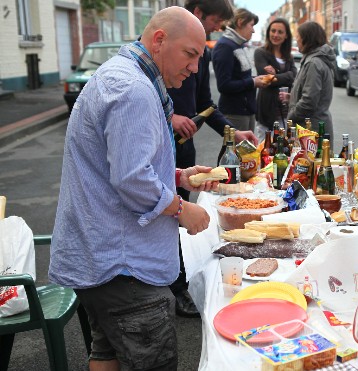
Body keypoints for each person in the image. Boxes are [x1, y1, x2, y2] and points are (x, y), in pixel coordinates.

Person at [49, 7, 218, 370]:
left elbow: (121, 163)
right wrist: (182, 208)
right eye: (190, 54)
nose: (194, 68)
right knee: (153, 362)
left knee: (105, 350)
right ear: (159, 40)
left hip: (102, 259)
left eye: (198, 58)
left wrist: (178, 176)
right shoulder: (134, 90)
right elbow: (131, 179)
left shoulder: (126, 75)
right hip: (124, 267)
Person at [167, 0, 257, 318]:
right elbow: (146, 98)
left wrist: (233, 132)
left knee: (175, 220)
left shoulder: (203, 53)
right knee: (164, 215)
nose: (218, 29)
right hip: (156, 146)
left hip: (184, 151)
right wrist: (172, 116)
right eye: (216, 22)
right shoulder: (162, 50)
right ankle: (172, 287)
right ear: (198, 13)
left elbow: (206, 103)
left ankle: (174, 283)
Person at [212, 8, 270, 133]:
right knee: (238, 152)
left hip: (246, 110)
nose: (253, 30)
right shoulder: (225, 46)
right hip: (234, 112)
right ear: (240, 22)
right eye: (251, 25)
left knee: (247, 152)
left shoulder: (238, 45)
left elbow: (241, 77)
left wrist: (256, 79)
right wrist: (253, 82)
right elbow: (224, 85)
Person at [285, 21, 336, 139]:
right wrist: (292, 97)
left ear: (306, 39)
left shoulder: (313, 63)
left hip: (311, 130)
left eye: (298, 37)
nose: (296, 40)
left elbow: (309, 101)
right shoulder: (315, 60)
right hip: (314, 126)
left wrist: (290, 117)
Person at [254, 18, 297, 131]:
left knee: (284, 147)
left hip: (286, 111)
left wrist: (276, 74)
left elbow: (294, 76)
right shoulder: (260, 53)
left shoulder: (289, 56)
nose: (275, 34)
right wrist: (287, 75)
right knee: (266, 146)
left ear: (286, 35)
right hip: (267, 111)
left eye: (280, 32)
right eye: (273, 31)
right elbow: (266, 80)